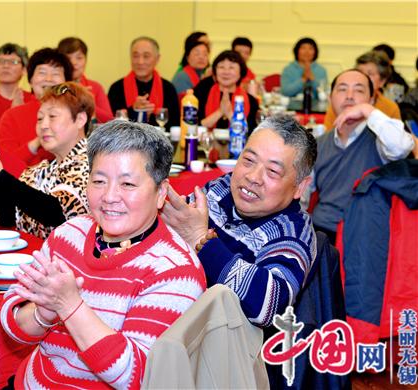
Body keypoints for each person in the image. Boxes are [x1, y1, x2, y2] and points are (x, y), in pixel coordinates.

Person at [0, 120, 206, 388]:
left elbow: (138, 376)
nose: (109, 196)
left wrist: (70, 306)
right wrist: (43, 312)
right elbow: (12, 320)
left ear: (161, 193)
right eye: (99, 181)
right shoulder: (69, 234)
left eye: (128, 184)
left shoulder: (175, 270)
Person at [162, 114, 317, 328]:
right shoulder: (223, 187)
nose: (253, 177)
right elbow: (177, 219)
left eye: (272, 171)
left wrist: (200, 240)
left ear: (299, 186)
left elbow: (270, 306)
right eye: (248, 160)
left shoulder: (293, 232)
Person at [0, 82, 93, 239]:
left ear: (80, 119)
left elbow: (57, 213)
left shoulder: (93, 164)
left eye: (52, 116)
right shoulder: (41, 169)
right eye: (39, 118)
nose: (43, 125)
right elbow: (8, 218)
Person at [308, 69, 415, 243]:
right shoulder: (318, 144)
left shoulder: (381, 141)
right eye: (342, 89)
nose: (349, 96)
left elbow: (402, 147)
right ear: (330, 98)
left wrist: (368, 111)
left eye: (359, 90)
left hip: (366, 238)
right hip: (321, 234)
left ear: (372, 100)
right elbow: (302, 197)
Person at [0, 48, 73, 167]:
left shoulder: (74, 114)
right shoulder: (12, 116)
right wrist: (36, 143)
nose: (48, 79)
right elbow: (3, 164)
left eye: (56, 74)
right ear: (30, 80)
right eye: (42, 72)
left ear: (67, 82)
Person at [108, 36, 180, 127]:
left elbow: (175, 125)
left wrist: (151, 116)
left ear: (157, 59)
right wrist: (134, 111)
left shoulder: (168, 89)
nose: (140, 61)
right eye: (135, 56)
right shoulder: (117, 88)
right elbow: (110, 125)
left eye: (146, 56)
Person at [323, 51, 402, 130]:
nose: (362, 76)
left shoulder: (390, 108)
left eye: (370, 74)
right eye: (360, 72)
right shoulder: (340, 105)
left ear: (382, 81)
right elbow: (329, 135)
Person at [194, 50, 259, 131]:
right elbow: (193, 128)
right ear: (215, 72)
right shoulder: (201, 93)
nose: (226, 72)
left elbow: (249, 133)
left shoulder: (251, 101)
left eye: (231, 67)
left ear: (241, 72)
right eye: (221, 67)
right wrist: (220, 111)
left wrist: (230, 114)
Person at [58, 37, 113, 123]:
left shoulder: (95, 87)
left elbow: (109, 120)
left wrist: (88, 103)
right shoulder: (55, 87)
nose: (74, 63)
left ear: (86, 60)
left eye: (79, 58)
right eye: (68, 58)